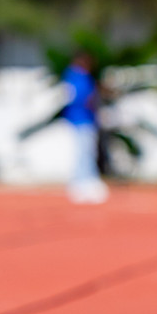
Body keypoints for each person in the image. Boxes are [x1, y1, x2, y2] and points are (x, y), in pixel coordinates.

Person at [62, 52, 108, 204]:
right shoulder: (75, 77)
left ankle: (86, 181)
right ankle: (81, 184)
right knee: (83, 152)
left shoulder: (79, 77)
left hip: (86, 119)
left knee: (86, 151)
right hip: (80, 119)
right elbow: (80, 98)